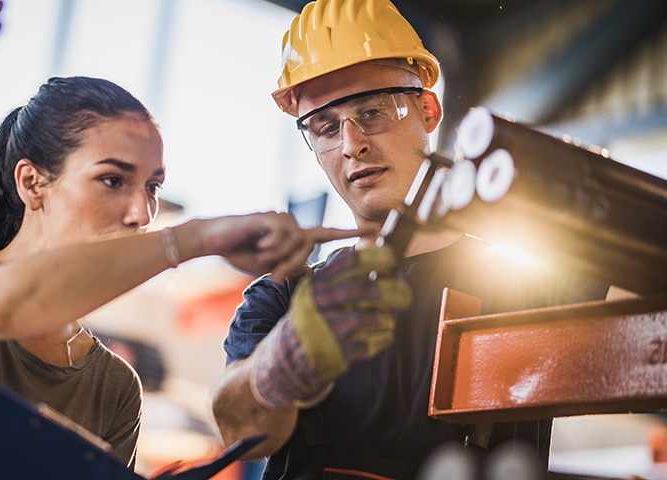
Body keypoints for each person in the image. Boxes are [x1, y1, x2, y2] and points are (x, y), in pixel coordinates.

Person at [0, 76, 359, 478]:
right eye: (112, 180)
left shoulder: (113, 387)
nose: (141, 212)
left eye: (152, 187)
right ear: (32, 182)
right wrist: (194, 240)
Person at [209, 1, 610, 479]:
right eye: (327, 127)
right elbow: (237, 429)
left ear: (428, 109)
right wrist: (288, 357)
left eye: (372, 111)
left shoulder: (530, 287)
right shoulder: (281, 299)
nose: (352, 144)